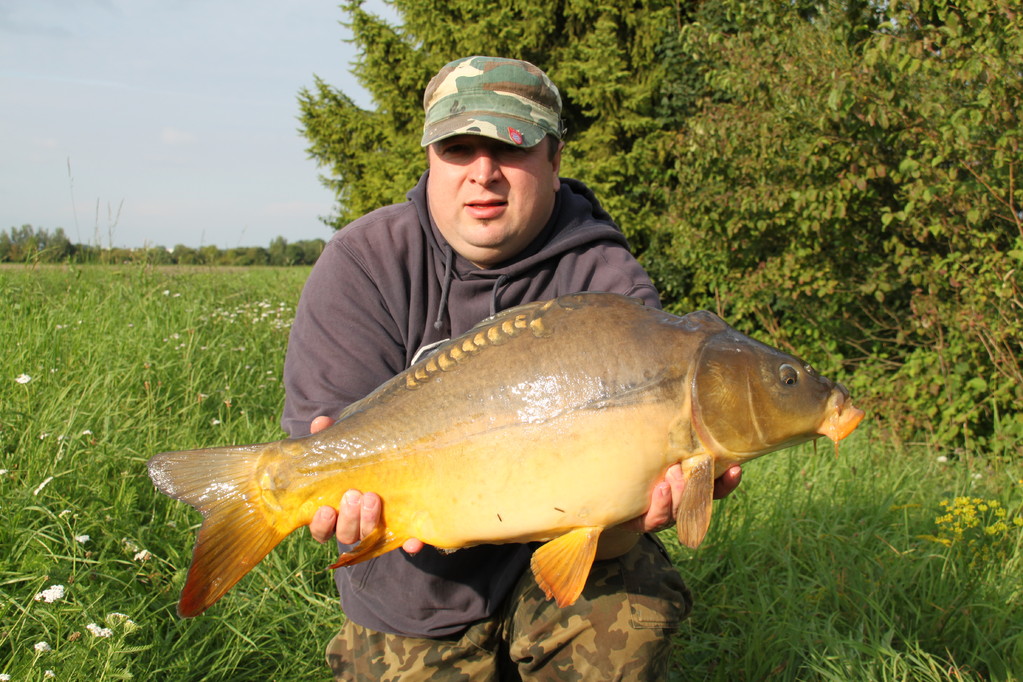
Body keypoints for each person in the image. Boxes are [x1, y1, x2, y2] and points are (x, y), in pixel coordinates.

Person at [281, 56, 742, 680]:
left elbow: (622, 503)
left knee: (629, 597)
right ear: (429, 157)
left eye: (511, 146)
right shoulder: (363, 263)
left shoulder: (604, 283)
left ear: (554, 159)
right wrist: (337, 501)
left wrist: (636, 513)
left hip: (563, 570)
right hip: (415, 584)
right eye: (458, 148)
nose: (482, 174)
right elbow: (322, 435)